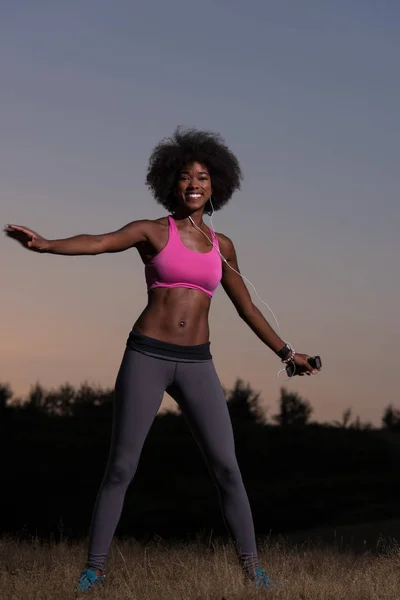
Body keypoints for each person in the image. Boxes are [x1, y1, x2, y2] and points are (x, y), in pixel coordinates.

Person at [5, 127, 319, 591]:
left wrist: (289, 353)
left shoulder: (223, 246)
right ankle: (94, 570)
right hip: (147, 355)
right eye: (186, 176)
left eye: (204, 176)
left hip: (198, 363)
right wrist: (47, 244)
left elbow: (247, 308)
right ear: (172, 183)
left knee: (227, 468)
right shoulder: (152, 231)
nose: (195, 183)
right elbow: (99, 241)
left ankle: (254, 572)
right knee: (121, 467)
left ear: (216, 186)